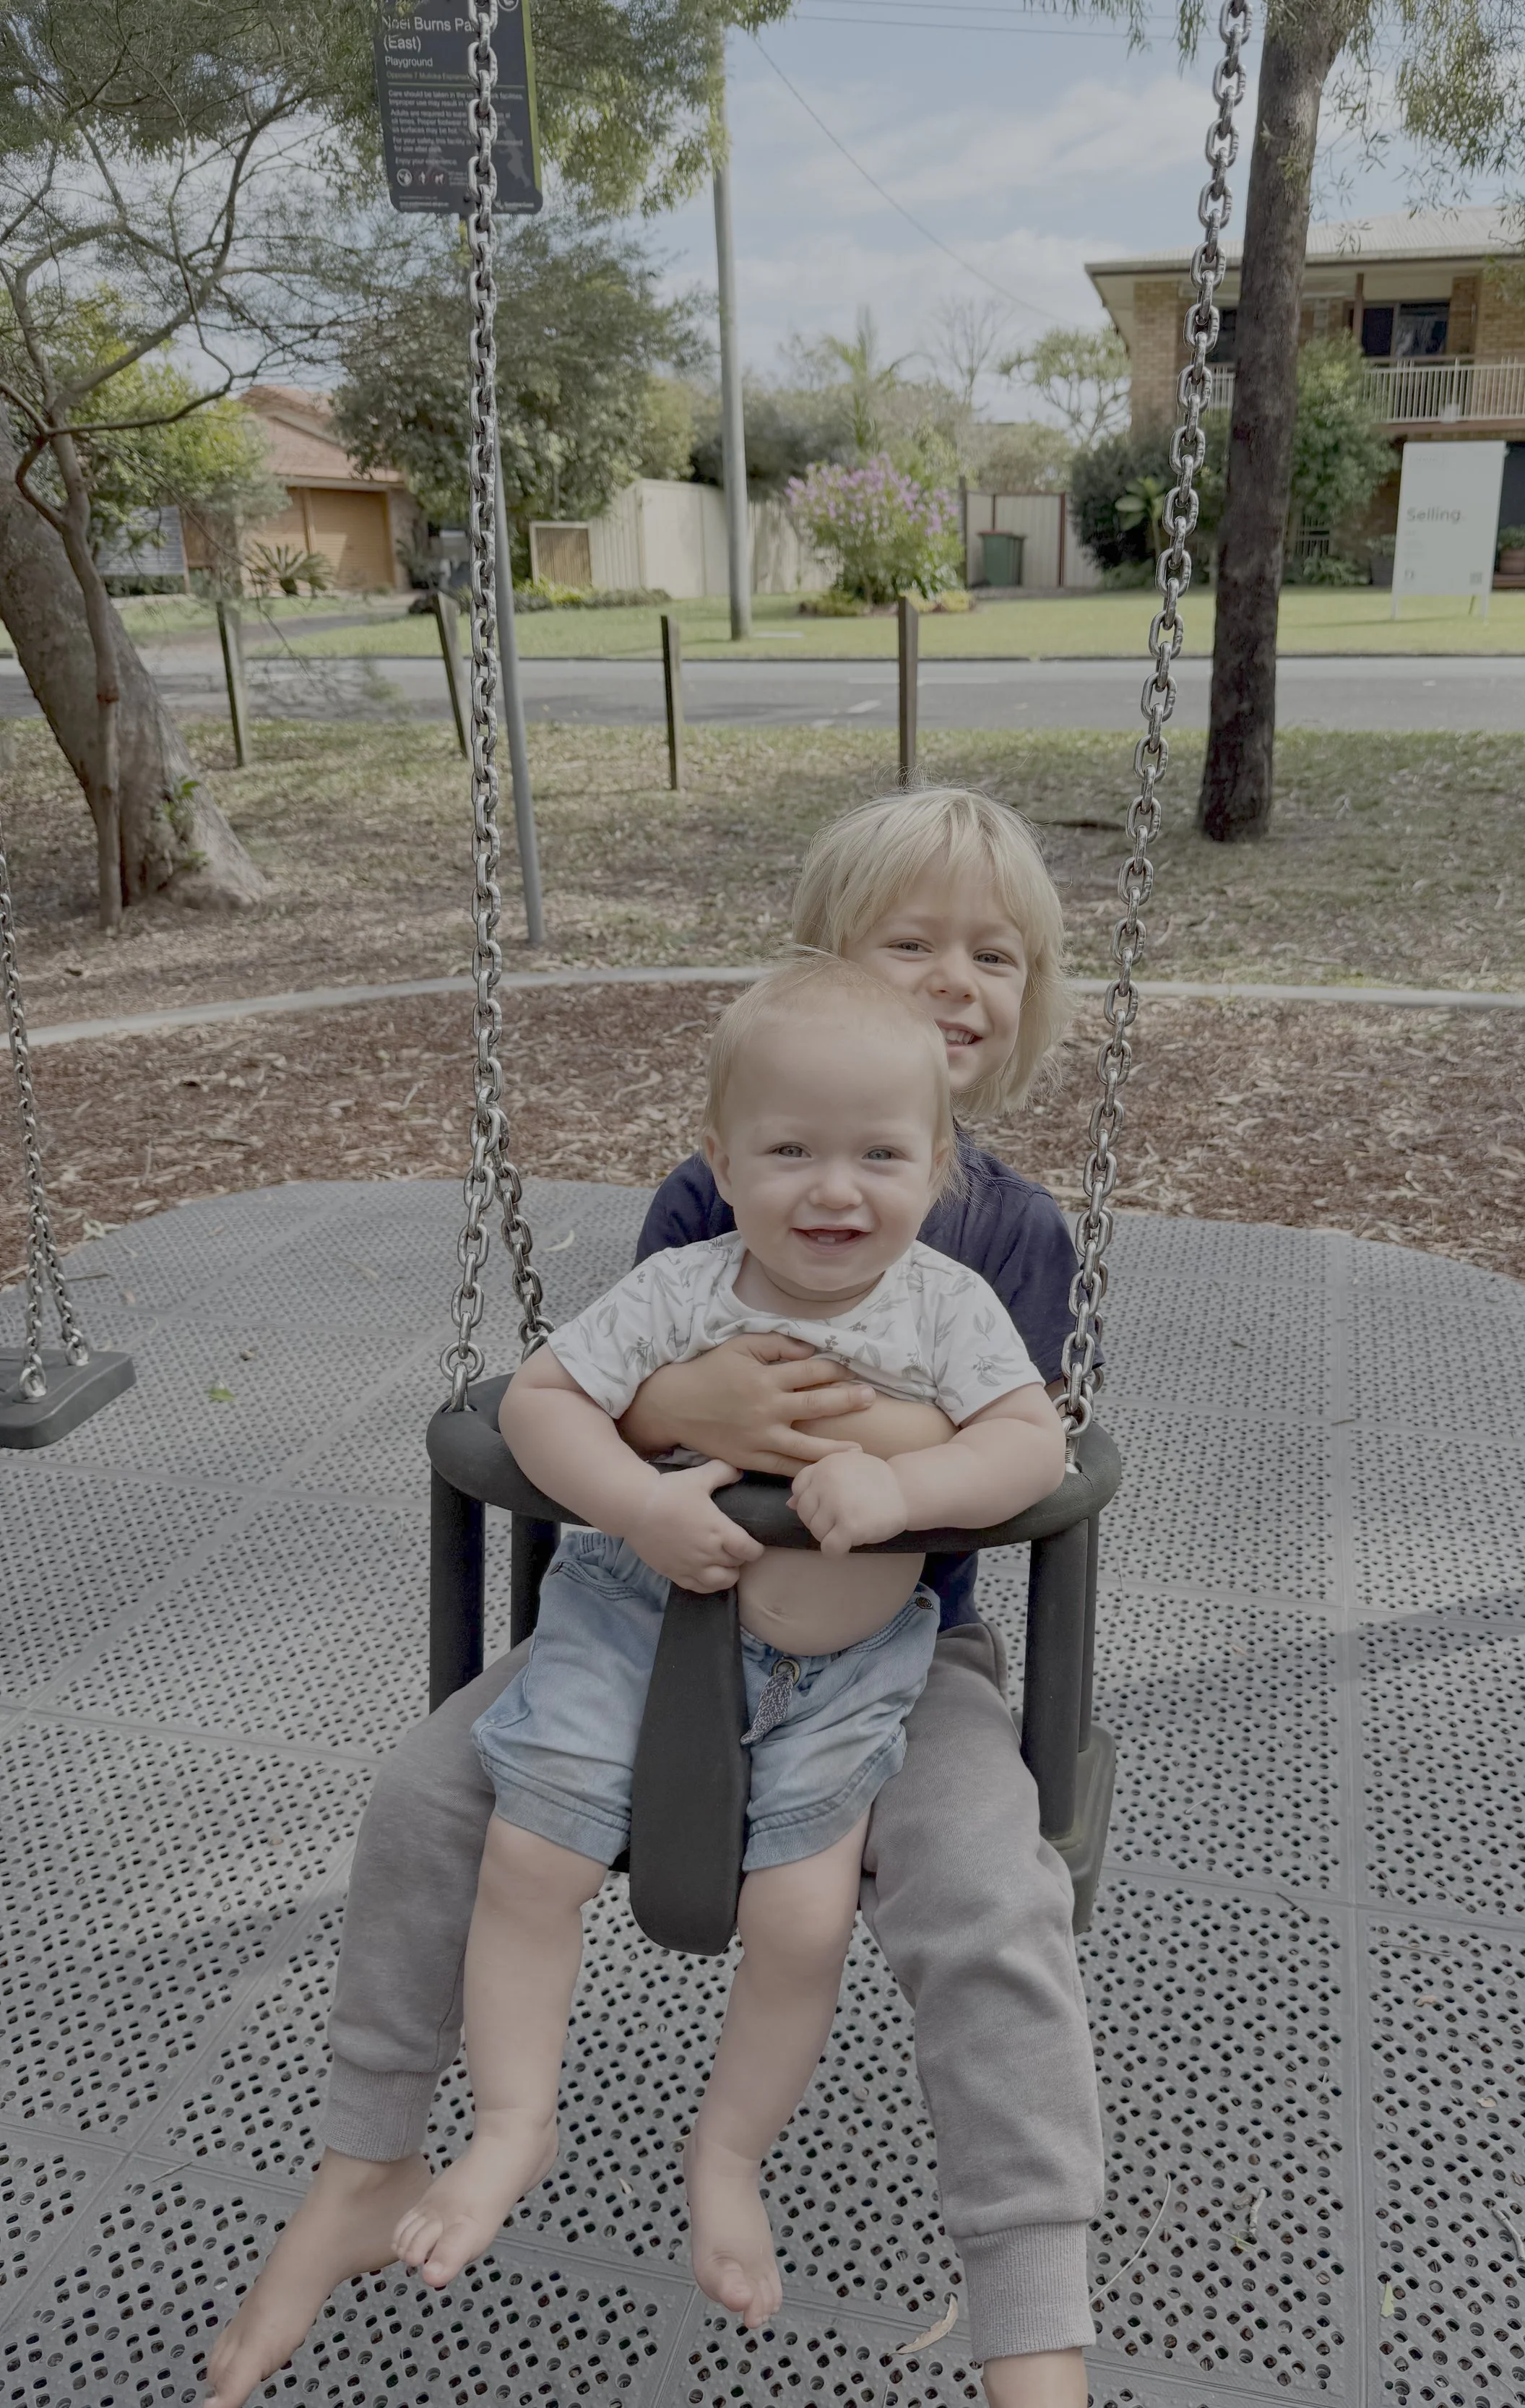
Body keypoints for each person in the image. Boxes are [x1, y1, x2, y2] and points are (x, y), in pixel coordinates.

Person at [204, 788, 1107, 2408]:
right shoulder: (716, 1198)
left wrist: (857, 1446)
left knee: (989, 1886)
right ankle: (363, 2165)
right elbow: (619, 1397)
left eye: (995, 954)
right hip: (648, 1609)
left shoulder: (1013, 1230)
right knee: (426, 1795)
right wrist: (682, 1425)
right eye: (906, 943)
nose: (952, 980)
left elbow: (1020, 1441)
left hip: (899, 1643)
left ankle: (1028, 2315)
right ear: (815, 971)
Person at [392, 954, 1069, 2319]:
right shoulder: (686, 1289)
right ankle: (514, 2123)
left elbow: (1031, 1447)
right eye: (790, 1152)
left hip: (846, 1666)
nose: (835, 1189)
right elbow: (539, 1404)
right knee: (529, 1857)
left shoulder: (946, 1305)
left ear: (936, 1167)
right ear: (723, 1160)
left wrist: (903, 1493)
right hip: (643, 1620)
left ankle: (727, 2156)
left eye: (880, 1154)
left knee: (804, 1919)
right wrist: (640, 1505)